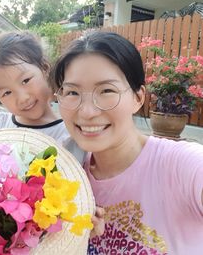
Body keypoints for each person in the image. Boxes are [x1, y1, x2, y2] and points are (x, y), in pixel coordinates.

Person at [50, 31, 203, 254]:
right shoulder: (64, 175)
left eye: (107, 91)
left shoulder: (182, 165)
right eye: (72, 92)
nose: (87, 111)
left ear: (138, 97)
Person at [0, 31, 84, 163]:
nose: (22, 98)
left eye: (26, 81)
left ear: (44, 68)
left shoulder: (68, 136)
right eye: (6, 93)